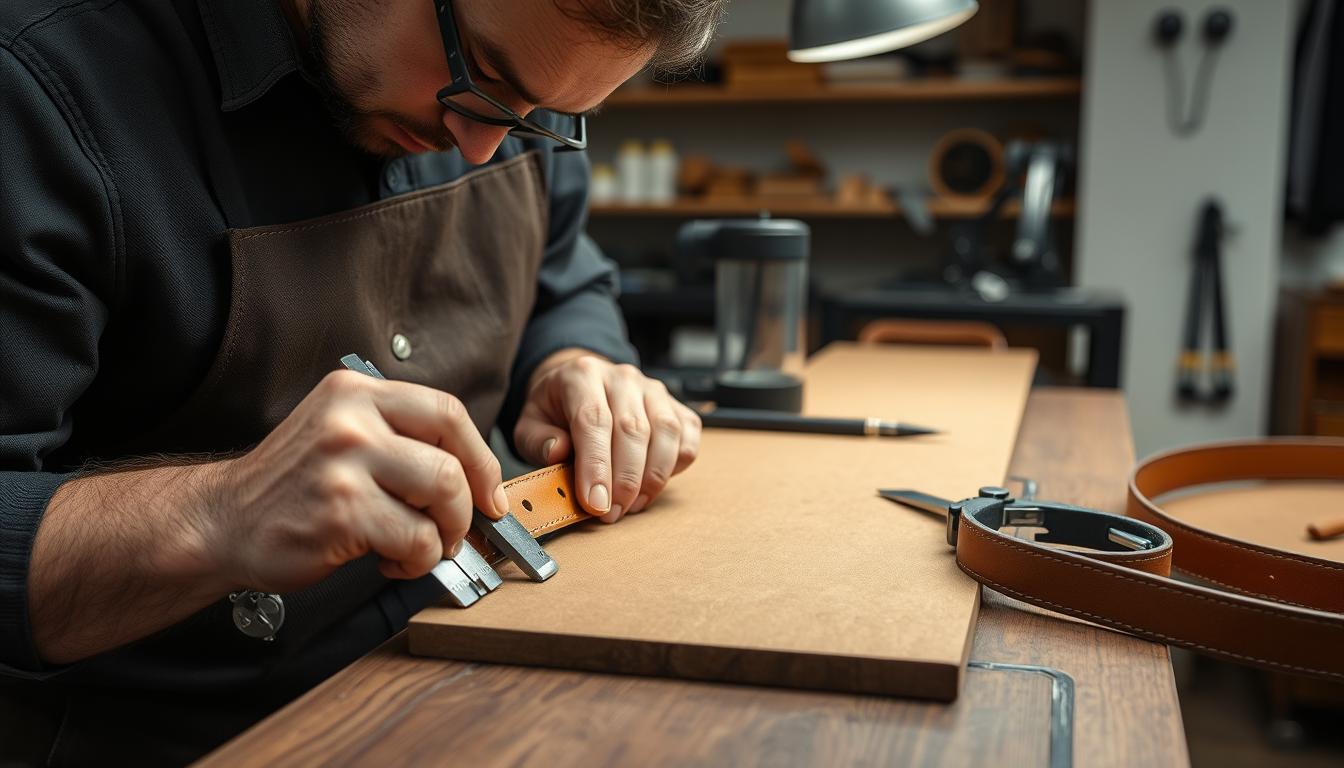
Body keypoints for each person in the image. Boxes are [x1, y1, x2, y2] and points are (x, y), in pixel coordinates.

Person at [0, 0, 725, 763]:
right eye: (478, 72)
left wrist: (575, 360)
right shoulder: (41, 91)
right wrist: (220, 512)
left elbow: (563, 276)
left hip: (450, 680)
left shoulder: (517, 75)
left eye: (539, 113)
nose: (480, 146)